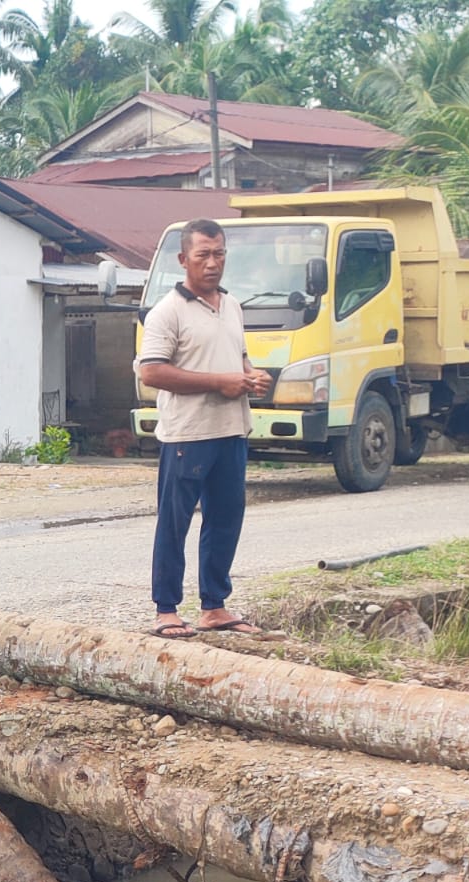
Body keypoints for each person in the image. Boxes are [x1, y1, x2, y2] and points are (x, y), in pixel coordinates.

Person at [136, 218, 272, 639]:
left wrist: (252, 377)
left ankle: (214, 607)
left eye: (219, 254)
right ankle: (167, 610)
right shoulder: (167, 312)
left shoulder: (231, 305)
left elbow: (240, 358)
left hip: (232, 430)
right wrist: (220, 382)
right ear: (183, 260)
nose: (213, 263)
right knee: (175, 522)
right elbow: (152, 373)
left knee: (226, 517)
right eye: (203, 255)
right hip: (187, 435)